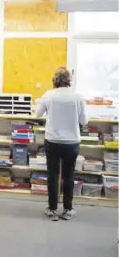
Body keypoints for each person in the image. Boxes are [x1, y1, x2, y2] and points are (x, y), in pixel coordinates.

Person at [36, 67, 88, 221]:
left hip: (52, 141)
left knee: (53, 175)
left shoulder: (48, 95)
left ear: (55, 80)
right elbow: (84, 121)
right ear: (69, 80)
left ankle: (52, 209)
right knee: (69, 175)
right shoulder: (78, 97)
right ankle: (68, 209)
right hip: (72, 142)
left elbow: (37, 113)